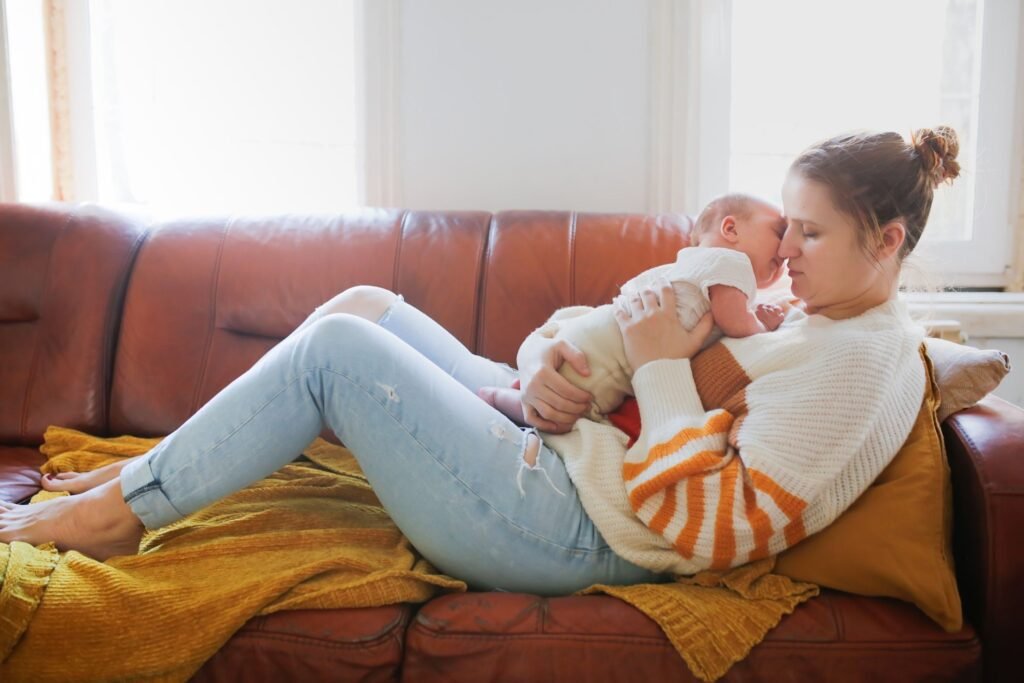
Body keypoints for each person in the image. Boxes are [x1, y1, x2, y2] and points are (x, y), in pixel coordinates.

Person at [0, 126, 960, 591]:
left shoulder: (858, 367)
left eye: (810, 234)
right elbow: (603, 331)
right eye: (788, 227)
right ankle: (145, 474)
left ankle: (114, 516)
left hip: (578, 530)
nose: (786, 252)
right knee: (365, 305)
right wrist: (545, 364)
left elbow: (715, 531)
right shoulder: (817, 315)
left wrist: (657, 364)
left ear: (886, 242)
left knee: (337, 350)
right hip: (573, 453)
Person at [541, 193, 787, 420]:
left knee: (553, 405)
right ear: (730, 229)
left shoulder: (688, 266)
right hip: (608, 352)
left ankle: (516, 412)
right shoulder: (731, 261)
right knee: (568, 411)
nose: (784, 250)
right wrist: (764, 325)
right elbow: (736, 323)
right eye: (779, 232)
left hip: (593, 334)